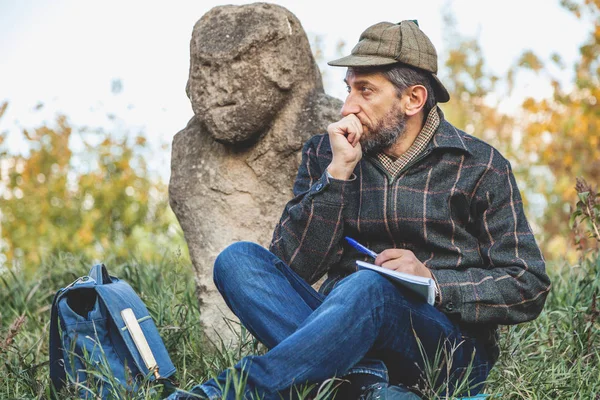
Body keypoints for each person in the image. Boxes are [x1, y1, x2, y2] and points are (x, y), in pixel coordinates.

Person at [169, 20, 551, 400]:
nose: (348, 106)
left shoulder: (479, 166)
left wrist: (434, 283)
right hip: (339, 325)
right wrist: (337, 176)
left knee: (371, 286)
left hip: (445, 347)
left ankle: (226, 393)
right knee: (237, 261)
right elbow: (292, 265)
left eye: (365, 91)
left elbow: (527, 284)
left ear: (413, 99)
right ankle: (361, 384)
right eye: (349, 88)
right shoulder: (326, 153)